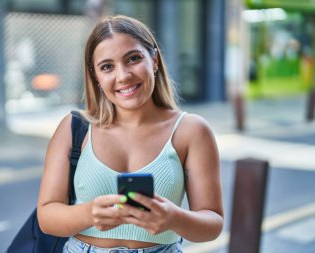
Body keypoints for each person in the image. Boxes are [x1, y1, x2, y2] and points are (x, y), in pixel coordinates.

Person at [37, 15, 223, 253]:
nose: (123, 75)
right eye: (107, 67)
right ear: (96, 76)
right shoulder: (74, 128)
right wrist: (89, 212)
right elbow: (47, 216)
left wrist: (174, 219)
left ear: (154, 60)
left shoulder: (191, 131)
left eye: (133, 58)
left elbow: (213, 223)